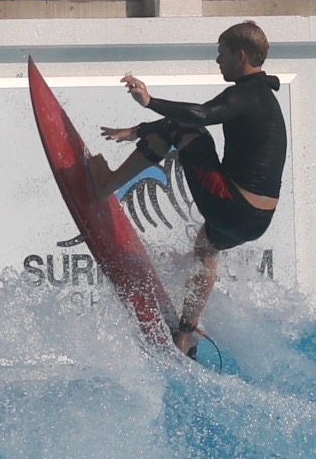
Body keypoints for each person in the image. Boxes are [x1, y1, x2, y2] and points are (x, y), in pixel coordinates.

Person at [93, 21, 285, 357]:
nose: (217, 60)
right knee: (205, 249)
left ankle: (106, 184)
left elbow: (199, 115)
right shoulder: (262, 96)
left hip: (233, 205)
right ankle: (185, 333)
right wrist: (138, 130)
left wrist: (149, 103)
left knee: (188, 129)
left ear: (240, 55)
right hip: (257, 221)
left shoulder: (247, 93)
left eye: (221, 53)